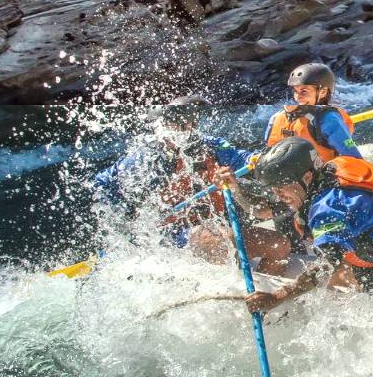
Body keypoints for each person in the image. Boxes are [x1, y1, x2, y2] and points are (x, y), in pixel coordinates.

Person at [238, 137, 373, 312]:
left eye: (281, 187)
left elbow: (325, 267)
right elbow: (268, 210)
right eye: (273, 188)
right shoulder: (331, 172)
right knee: (342, 268)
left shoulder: (329, 209)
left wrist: (277, 297)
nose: (277, 194)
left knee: (333, 282)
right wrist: (235, 188)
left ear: (307, 176)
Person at [91, 106, 293, 273]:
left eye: (189, 123)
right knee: (223, 243)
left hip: (210, 225)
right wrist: (121, 222)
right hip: (169, 235)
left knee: (279, 245)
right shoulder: (149, 159)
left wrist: (261, 160)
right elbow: (102, 182)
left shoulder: (211, 145)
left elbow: (242, 158)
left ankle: (265, 305)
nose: (187, 127)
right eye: (177, 124)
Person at [258, 63, 362, 163]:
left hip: (325, 176)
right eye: (295, 91)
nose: (297, 97)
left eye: (304, 91)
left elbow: (356, 160)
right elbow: (267, 156)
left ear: (323, 92)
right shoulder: (275, 119)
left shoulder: (329, 119)